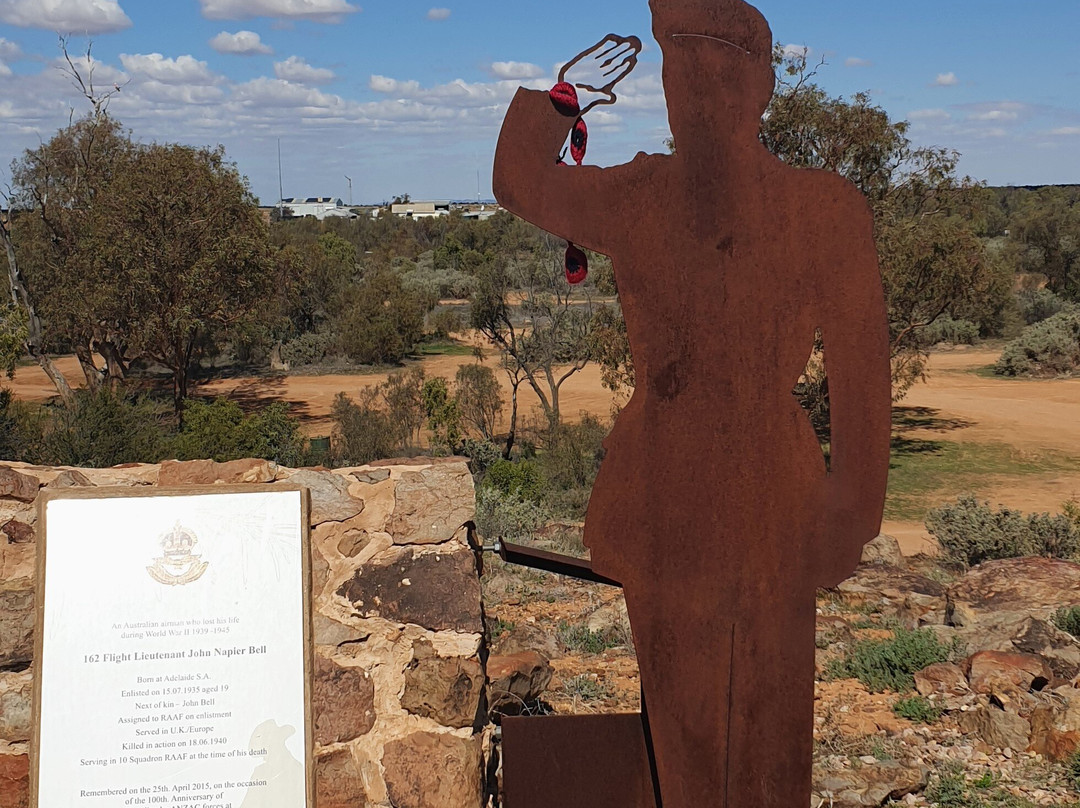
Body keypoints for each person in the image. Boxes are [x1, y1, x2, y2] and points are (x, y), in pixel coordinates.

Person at [493, 0, 891, 805]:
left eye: (709, 75)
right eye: (683, 74)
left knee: (753, 738)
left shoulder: (809, 208)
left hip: (732, 495)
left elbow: (862, 379)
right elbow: (520, 185)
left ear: (758, 90)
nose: (693, 94)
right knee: (706, 739)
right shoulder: (672, 196)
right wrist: (564, 97)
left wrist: (848, 515)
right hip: (685, 494)